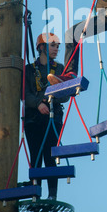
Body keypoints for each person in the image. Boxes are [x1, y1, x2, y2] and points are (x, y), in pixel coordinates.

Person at [24, 32, 69, 201]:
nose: (57, 48)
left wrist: (50, 99)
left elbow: (66, 94)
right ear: (42, 47)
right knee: (35, 155)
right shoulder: (29, 70)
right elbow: (25, 94)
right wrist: (38, 103)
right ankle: (35, 192)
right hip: (33, 118)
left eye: (58, 45)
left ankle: (52, 195)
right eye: (53, 45)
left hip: (52, 116)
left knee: (50, 155)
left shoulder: (59, 69)